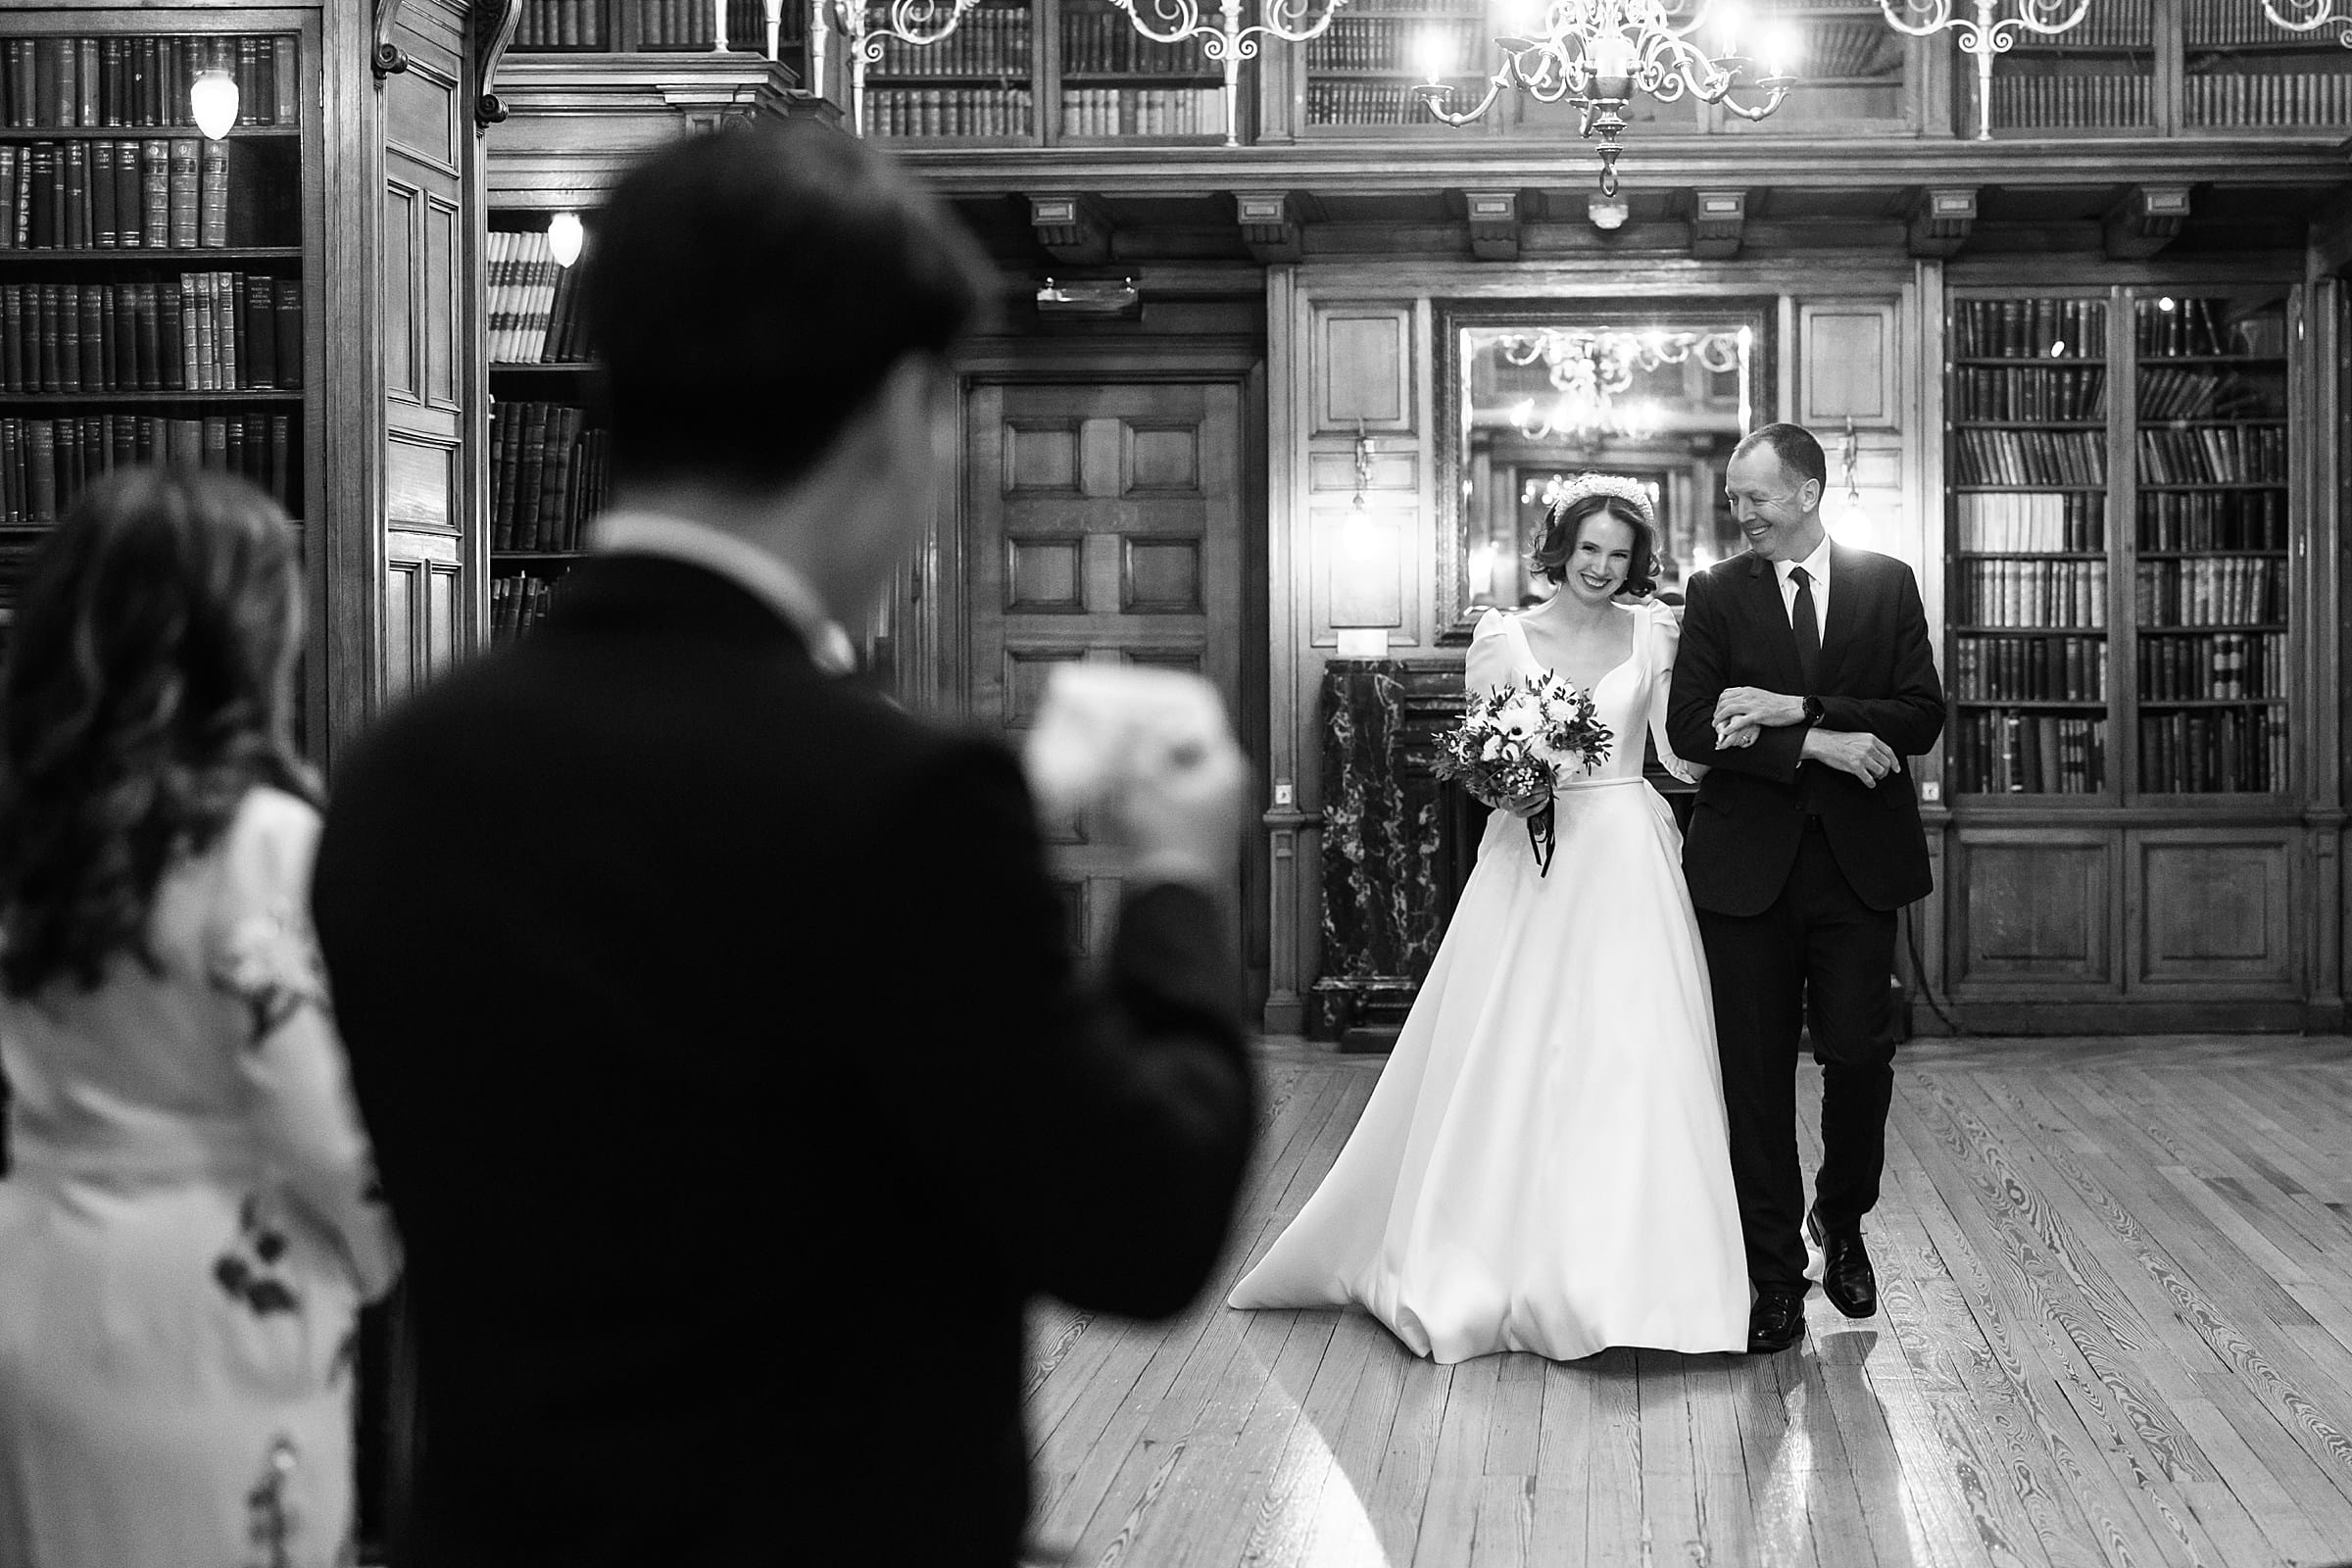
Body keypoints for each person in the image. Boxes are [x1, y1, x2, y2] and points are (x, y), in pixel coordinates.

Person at [308, 122, 1257, 1568]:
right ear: (898, 417)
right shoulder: (905, 800)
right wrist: (1178, 876)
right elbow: (1140, 1226)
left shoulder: (397, 771)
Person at [1228, 475, 1748, 1363]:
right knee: (1513, 1045)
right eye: (1589, 549)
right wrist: (1512, 775)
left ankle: (1640, 1277)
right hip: (1531, 858)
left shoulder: (1657, 631)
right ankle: (1485, 1254)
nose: (1602, 567)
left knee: (1634, 1049)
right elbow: (1481, 753)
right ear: (1560, 548)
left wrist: (1737, 743)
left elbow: (1673, 753)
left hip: (1627, 847)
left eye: (1620, 555)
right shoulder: (1504, 637)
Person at [0, 467, 400, 1568]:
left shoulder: (29, 830)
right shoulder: (260, 838)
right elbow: (307, 1110)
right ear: (242, 636)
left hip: (39, 1267)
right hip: (212, 1303)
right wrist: (375, 1252)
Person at [1665, 422, 1945, 1355]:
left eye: (1758, 497)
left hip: (1859, 868)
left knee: (1861, 1058)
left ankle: (1844, 1220)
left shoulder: (1887, 582)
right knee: (1753, 1075)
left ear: (1810, 492)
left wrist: (1800, 707)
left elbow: (1920, 716)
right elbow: (1696, 729)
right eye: (1735, 498)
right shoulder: (1714, 594)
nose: (1740, 514)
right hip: (1747, 871)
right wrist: (1816, 744)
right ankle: (1773, 1275)